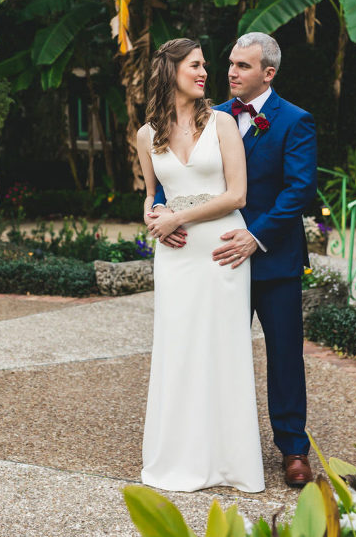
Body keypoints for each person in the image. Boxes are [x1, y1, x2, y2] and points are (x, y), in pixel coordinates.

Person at [152, 32, 317, 487]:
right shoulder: (211, 116)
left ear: (268, 73)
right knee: (216, 352)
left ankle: (294, 449)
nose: (230, 72)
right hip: (215, 261)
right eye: (230, 63)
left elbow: (299, 190)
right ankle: (218, 444)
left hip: (273, 258)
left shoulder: (295, 121)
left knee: (284, 355)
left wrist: (255, 236)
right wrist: (161, 209)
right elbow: (174, 172)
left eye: (243, 66)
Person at [136, 38, 264, 493]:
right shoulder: (146, 135)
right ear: (170, 71)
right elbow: (151, 195)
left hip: (222, 251)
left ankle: (231, 464)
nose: (205, 72)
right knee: (179, 351)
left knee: (223, 350)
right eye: (195, 65)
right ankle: (180, 457)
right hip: (175, 256)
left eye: (205, 65)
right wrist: (154, 216)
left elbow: (237, 195)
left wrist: (179, 216)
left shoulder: (223, 123)